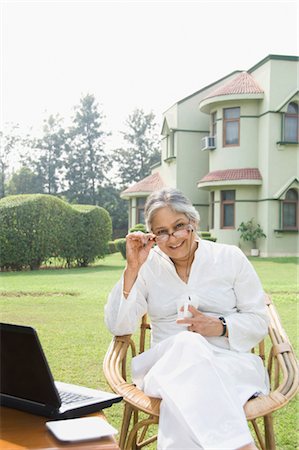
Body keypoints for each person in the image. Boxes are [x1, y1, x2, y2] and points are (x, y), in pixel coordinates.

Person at [105, 187, 269, 450]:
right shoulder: (148, 266)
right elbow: (118, 325)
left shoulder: (229, 258)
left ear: (194, 223)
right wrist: (132, 268)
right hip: (164, 367)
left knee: (181, 399)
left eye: (179, 226)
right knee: (187, 345)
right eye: (161, 231)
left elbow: (260, 321)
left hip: (230, 366)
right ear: (153, 235)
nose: (172, 238)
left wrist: (220, 326)